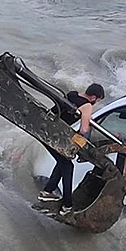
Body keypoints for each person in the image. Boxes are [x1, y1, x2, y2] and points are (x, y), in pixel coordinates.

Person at [38, 83, 105, 216]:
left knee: (63, 161)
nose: (96, 103)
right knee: (68, 165)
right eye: (97, 100)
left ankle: (48, 191)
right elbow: (84, 129)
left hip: (43, 128)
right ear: (93, 97)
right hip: (54, 135)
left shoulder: (72, 94)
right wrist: (87, 120)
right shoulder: (87, 106)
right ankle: (67, 204)